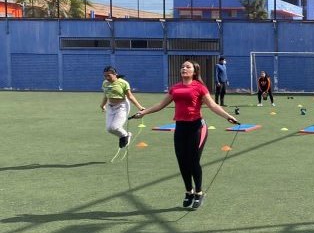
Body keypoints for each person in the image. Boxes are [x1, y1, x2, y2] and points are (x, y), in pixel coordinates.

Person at [133, 60, 239, 210]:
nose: (184, 68)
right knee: (182, 161)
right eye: (182, 66)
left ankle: (199, 193)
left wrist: (228, 116)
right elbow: (161, 105)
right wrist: (144, 112)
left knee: (193, 161)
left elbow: (213, 105)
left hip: (197, 128)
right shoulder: (175, 88)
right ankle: (189, 191)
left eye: (188, 67)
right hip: (180, 128)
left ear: (194, 71)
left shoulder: (199, 87)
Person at [100, 66, 145, 149]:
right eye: (105, 76)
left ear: (115, 74)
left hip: (122, 106)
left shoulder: (123, 83)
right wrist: (102, 105)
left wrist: (140, 107)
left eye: (109, 75)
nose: (107, 78)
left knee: (115, 127)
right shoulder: (105, 83)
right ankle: (124, 135)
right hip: (110, 106)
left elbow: (130, 96)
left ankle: (125, 136)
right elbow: (106, 95)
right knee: (109, 129)